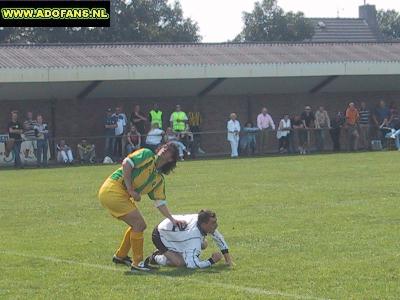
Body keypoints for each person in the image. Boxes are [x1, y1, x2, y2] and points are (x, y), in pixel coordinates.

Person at [97, 143, 186, 272]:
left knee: (137, 225)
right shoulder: (147, 154)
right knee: (139, 225)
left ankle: (120, 256)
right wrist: (130, 189)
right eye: (164, 147)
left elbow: (160, 202)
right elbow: (127, 163)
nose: (164, 149)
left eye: (169, 150)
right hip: (113, 189)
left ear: (171, 159)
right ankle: (137, 263)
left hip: (119, 194)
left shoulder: (158, 178)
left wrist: (172, 220)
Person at [144, 209, 233, 269]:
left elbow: (218, 237)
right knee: (181, 263)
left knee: (204, 244)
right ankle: (155, 257)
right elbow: (192, 265)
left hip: (174, 233)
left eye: (215, 221)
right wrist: (212, 261)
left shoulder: (201, 219)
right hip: (160, 235)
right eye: (213, 223)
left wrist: (228, 260)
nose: (216, 225)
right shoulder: (193, 237)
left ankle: (175, 251)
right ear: (204, 224)